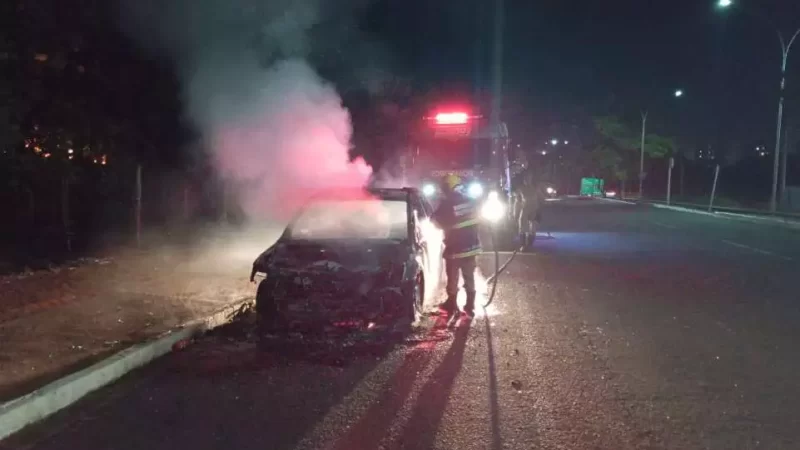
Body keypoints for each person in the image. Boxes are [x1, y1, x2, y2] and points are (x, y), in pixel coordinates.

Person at [431, 174, 482, 318]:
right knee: (469, 276)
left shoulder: (448, 203)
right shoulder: (471, 200)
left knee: (452, 277)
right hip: (472, 246)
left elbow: (436, 221)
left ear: (448, 187)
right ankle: (470, 305)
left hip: (455, 248)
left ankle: (452, 304)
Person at [512, 172, 545, 250]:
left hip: (534, 209)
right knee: (522, 227)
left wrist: (538, 210)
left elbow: (542, 199)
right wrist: (515, 213)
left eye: (529, 178)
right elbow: (517, 202)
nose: (527, 180)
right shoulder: (520, 189)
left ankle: (530, 245)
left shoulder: (535, 188)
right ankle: (523, 244)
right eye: (526, 178)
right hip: (524, 210)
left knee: (532, 228)